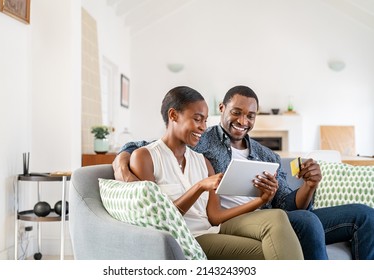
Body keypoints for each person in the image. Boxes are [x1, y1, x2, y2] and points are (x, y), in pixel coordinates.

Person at [113, 85, 374, 260]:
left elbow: (287, 204)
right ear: (222, 110)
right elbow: (150, 144)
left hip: (269, 215)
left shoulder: (266, 155)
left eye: (251, 115)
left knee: (364, 215)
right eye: (236, 112)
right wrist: (122, 160)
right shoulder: (204, 140)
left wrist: (309, 185)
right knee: (304, 222)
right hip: (230, 223)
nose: (243, 121)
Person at [126, 85, 303, 260]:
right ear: (173, 115)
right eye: (197, 119)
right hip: (187, 239)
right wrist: (200, 186)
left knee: (278, 219)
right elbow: (159, 219)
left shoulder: (202, 162)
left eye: (205, 121)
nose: (203, 127)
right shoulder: (145, 157)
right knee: (271, 251)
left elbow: (215, 217)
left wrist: (261, 200)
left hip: (212, 230)